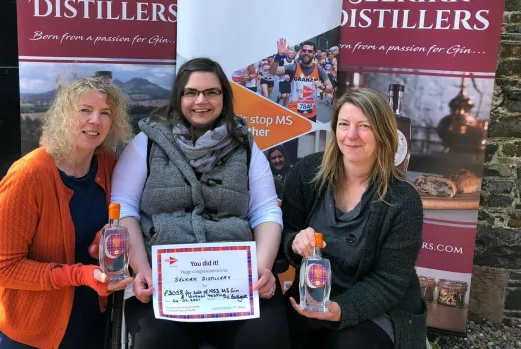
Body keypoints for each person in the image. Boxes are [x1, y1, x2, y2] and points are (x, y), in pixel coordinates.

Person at [110, 57, 289, 349]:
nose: (200, 100)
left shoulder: (245, 144)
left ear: (224, 98)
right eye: (191, 92)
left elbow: (265, 210)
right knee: (156, 340)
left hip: (235, 283)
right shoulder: (147, 143)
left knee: (264, 337)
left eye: (212, 92)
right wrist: (140, 268)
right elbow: (123, 206)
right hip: (164, 283)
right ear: (178, 96)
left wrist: (261, 269)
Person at [0, 76, 133, 349]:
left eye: (105, 113)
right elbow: (4, 269)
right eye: (84, 110)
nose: (95, 120)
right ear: (63, 115)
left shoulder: (108, 164)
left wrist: (103, 238)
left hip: (92, 323)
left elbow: (121, 217)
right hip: (32, 332)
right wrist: (80, 275)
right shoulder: (27, 176)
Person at [280, 88, 427, 349]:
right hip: (313, 294)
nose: (351, 136)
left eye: (364, 126)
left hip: (377, 306)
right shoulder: (307, 173)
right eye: (344, 125)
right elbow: (287, 231)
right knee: (273, 334)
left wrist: (340, 310)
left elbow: (388, 282)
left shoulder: (403, 199)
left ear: (383, 133)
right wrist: (295, 242)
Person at [269, 39, 334, 122]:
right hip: (294, 112)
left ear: (314, 54)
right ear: (301, 52)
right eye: (304, 50)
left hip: (311, 113)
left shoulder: (319, 69)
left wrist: (322, 87)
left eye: (310, 51)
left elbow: (330, 89)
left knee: (309, 135)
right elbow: (272, 71)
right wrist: (279, 55)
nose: (306, 53)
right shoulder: (293, 67)